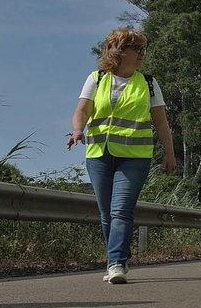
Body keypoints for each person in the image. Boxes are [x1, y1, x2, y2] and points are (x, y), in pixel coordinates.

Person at [67, 27, 177, 284]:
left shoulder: (148, 83)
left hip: (135, 157)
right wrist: (76, 130)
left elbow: (161, 123)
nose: (141, 53)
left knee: (121, 209)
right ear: (117, 51)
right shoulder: (97, 78)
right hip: (99, 154)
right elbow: (82, 111)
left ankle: (115, 262)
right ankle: (119, 258)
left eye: (143, 49)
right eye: (135, 48)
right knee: (107, 213)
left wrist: (170, 154)